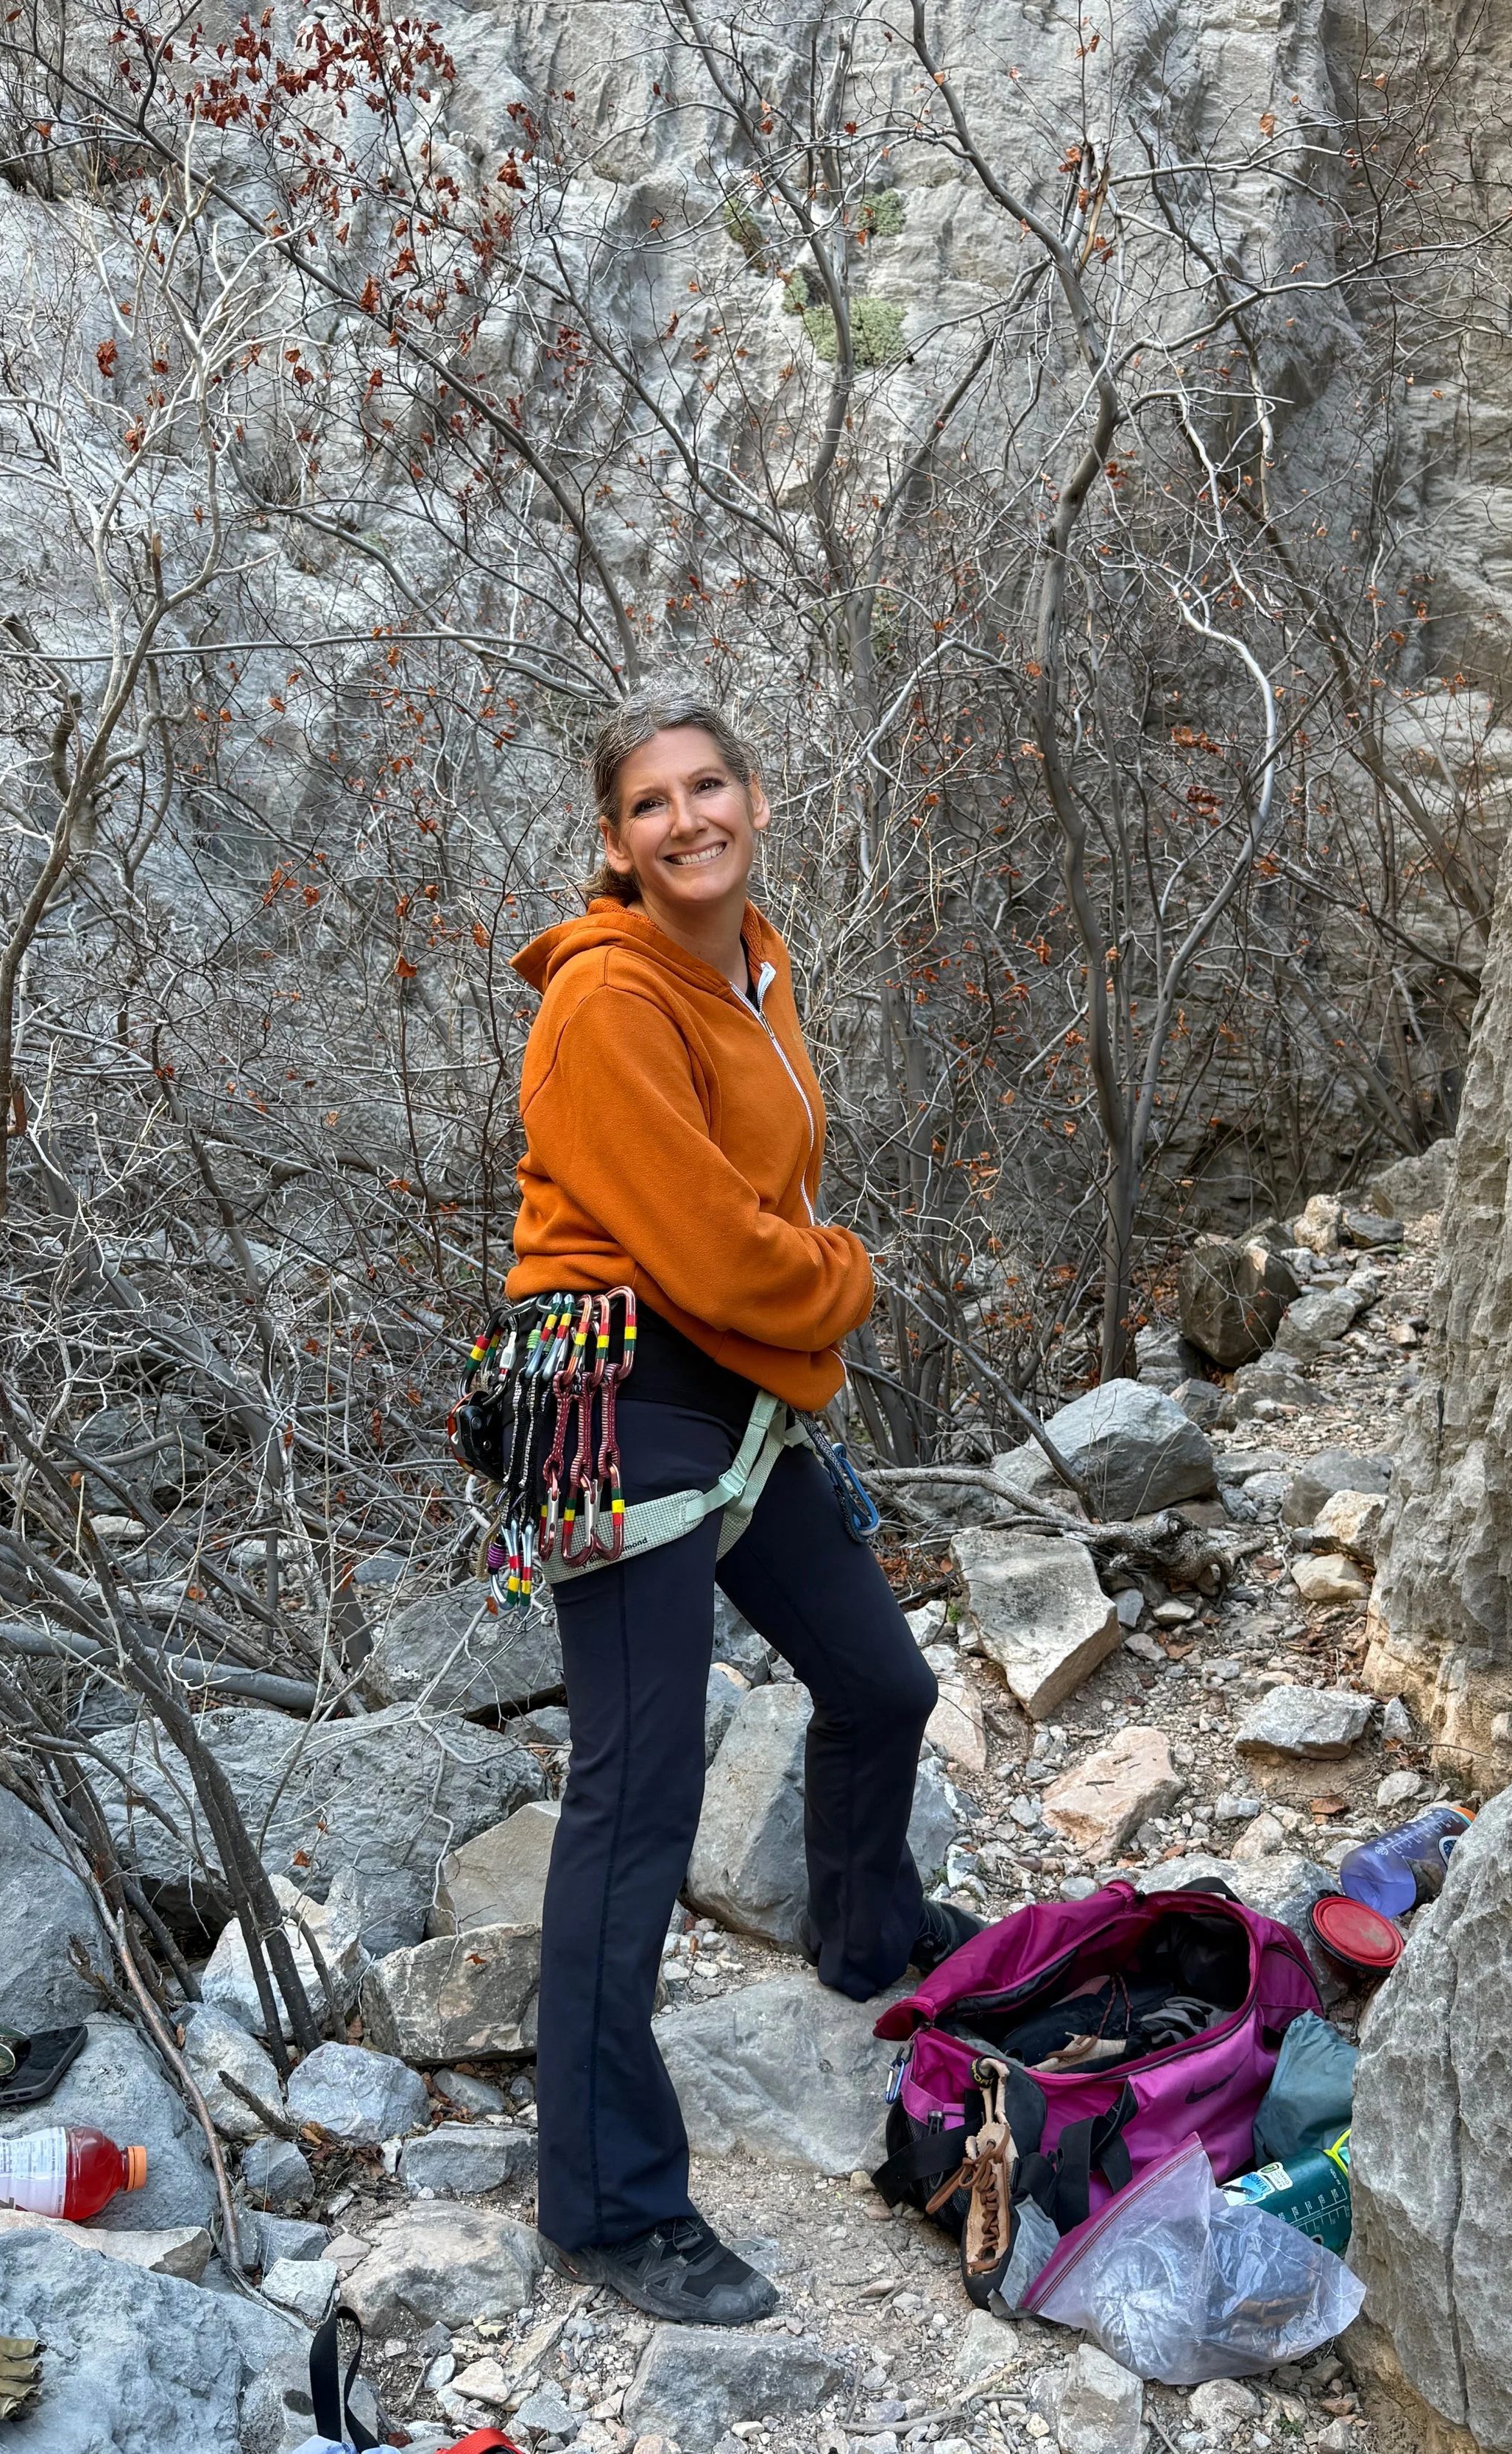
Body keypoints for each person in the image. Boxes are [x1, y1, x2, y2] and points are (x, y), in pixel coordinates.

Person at [504, 688, 979, 2326]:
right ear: (613, 841)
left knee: (880, 1681)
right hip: (620, 1393)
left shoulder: (749, 965)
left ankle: (866, 1930)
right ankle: (607, 2203)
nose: (686, 819)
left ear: (757, 801)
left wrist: (794, 1305)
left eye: (709, 786)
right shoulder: (607, 1003)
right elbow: (716, 1252)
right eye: (650, 803)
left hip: (736, 1391)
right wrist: (842, 1282)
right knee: (633, 1797)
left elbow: (748, 1202)